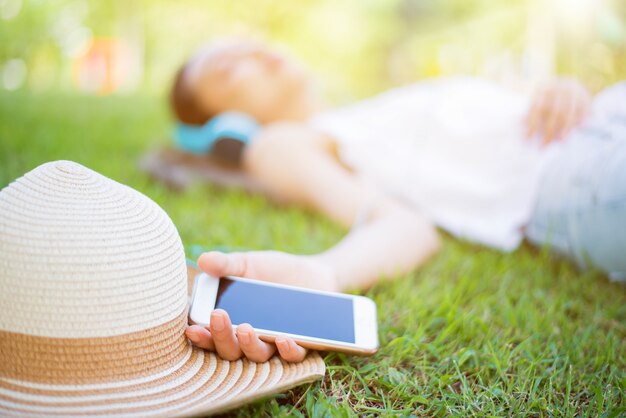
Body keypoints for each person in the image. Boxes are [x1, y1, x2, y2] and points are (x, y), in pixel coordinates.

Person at [171, 38, 626, 364]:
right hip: (575, 180)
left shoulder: (365, 111)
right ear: (226, 122)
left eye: (242, 44)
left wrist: (564, 94)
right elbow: (405, 226)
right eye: (228, 69)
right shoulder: (277, 146)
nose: (252, 53)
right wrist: (323, 273)